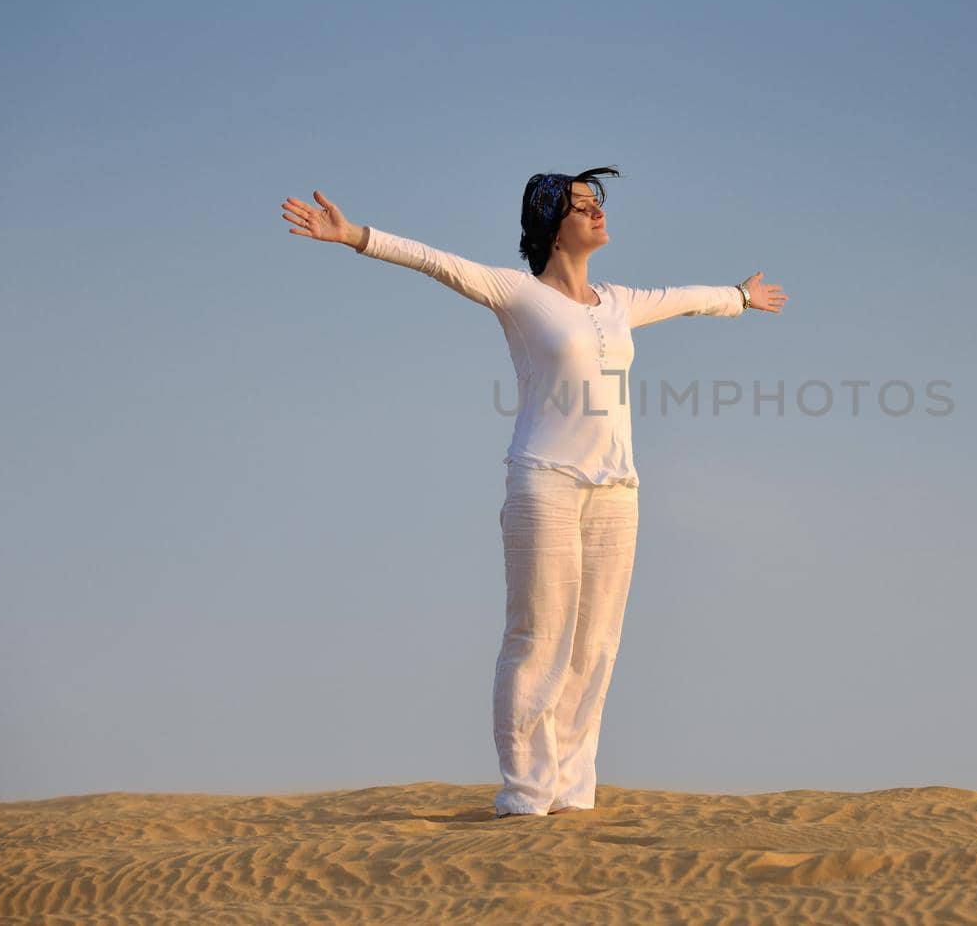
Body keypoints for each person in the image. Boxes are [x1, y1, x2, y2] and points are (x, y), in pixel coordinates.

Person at [280, 167, 788, 820]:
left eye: (596, 202)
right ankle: (524, 795)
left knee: (596, 646)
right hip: (544, 484)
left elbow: (683, 297)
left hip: (617, 493)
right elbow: (438, 262)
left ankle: (572, 796)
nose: (596, 213)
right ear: (552, 229)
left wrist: (739, 297)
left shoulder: (618, 301)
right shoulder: (519, 293)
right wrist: (355, 236)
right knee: (537, 639)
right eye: (581, 206)